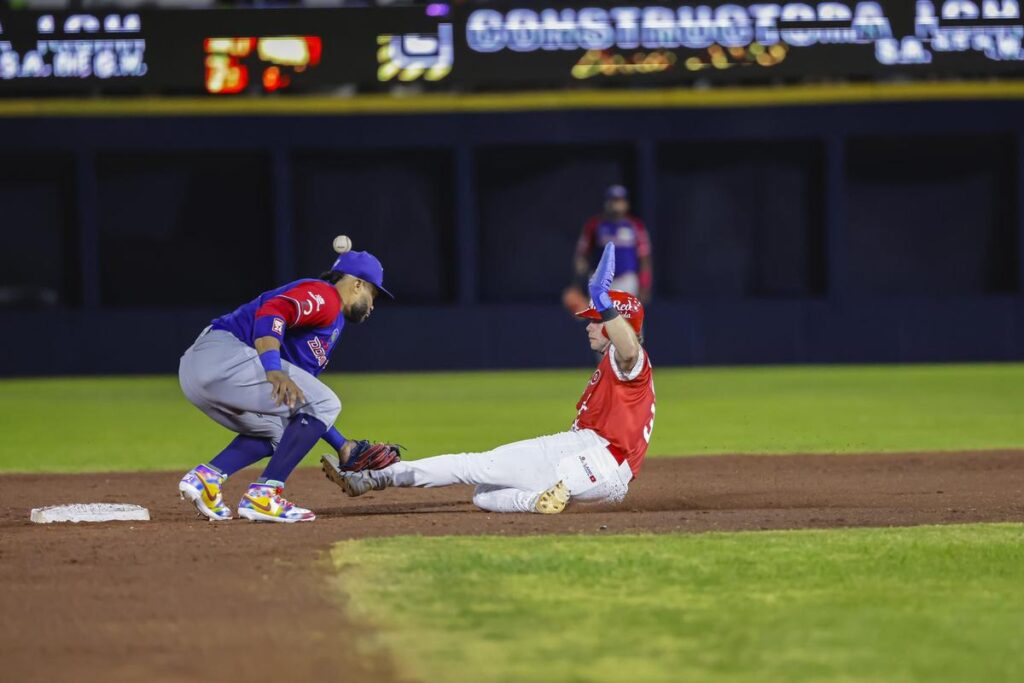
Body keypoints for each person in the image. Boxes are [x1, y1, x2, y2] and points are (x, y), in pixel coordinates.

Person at [322, 243, 656, 514]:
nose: (589, 325)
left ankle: (372, 478)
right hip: (605, 479)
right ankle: (539, 502)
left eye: (597, 320)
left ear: (618, 323)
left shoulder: (628, 360)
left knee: (472, 466)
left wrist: (603, 300)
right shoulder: (617, 368)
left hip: (591, 456)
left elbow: (629, 350)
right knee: (484, 496)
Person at [177, 246, 393, 523]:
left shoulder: (332, 324)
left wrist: (342, 445)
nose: (373, 304)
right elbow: (274, 310)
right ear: (357, 284)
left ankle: (206, 478)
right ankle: (264, 495)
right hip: (222, 353)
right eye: (373, 293)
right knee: (328, 402)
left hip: (200, 375)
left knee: (281, 431)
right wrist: (272, 368)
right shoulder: (325, 295)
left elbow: (302, 406)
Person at [574, 184, 653, 303]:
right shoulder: (594, 224)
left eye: (619, 200)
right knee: (600, 320)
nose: (615, 205)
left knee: (623, 320)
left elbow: (644, 258)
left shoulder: (636, 226)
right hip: (599, 280)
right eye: (612, 200)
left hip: (626, 279)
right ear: (606, 203)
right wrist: (578, 284)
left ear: (626, 204)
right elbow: (582, 254)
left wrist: (645, 284)